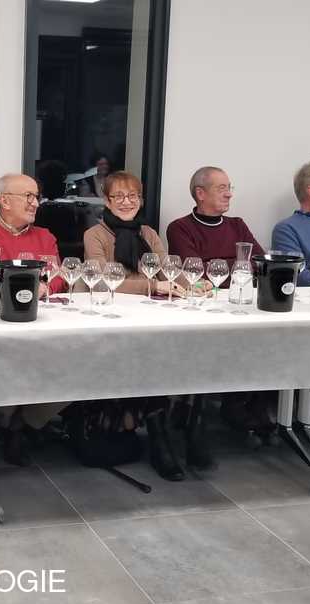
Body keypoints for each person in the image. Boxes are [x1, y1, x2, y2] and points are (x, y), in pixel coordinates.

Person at [83, 171, 198, 480]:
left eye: (132, 196)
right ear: (107, 201)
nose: (126, 202)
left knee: (170, 356)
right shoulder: (95, 234)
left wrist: (195, 284)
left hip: (148, 316)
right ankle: (161, 440)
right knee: (144, 359)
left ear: (141, 200)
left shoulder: (148, 233)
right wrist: (153, 286)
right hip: (109, 319)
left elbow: (167, 268)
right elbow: (103, 281)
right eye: (118, 196)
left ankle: (177, 432)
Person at [0, 173, 69, 465]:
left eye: (36, 196)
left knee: (72, 361)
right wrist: (37, 282)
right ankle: (10, 422)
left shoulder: (45, 236)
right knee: (16, 359)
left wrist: (42, 286)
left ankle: (22, 423)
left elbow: (57, 277)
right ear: (5, 201)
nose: (36, 203)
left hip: (38, 320)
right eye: (28, 196)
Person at [166, 166, 273, 444]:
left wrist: (218, 266)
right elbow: (194, 273)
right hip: (203, 311)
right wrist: (237, 264)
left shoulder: (237, 224)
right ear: (200, 193)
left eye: (229, 187)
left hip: (242, 304)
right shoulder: (180, 228)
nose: (229, 194)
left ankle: (250, 403)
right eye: (222, 188)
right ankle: (221, 407)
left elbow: (261, 262)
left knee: (268, 337)